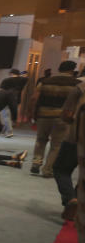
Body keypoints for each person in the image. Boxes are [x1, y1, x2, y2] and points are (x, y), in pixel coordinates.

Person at [29, 60, 79, 176]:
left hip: (43, 116)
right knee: (56, 145)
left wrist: (32, 113)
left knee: (41, 140)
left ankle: (36, 163)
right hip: (62, 118)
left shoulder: (45, 81)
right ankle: (48, 170)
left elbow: (34, 99)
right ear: (72, 70)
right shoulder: (76, 84)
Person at [51, 80, 85, 220]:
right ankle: (77, 204)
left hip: (76, 138)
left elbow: (66, 114)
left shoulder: (80, 87)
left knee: (61, 169)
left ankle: (71, 199)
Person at [0, 69, 27, 136]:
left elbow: (1, 91)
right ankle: (4, 131)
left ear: (11, 73)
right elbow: (25, 77)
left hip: (6, 100)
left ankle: (9, 131)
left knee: (6, 116)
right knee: (9, 116)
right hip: (16, 100)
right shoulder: (23, 81)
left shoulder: (6, 80)